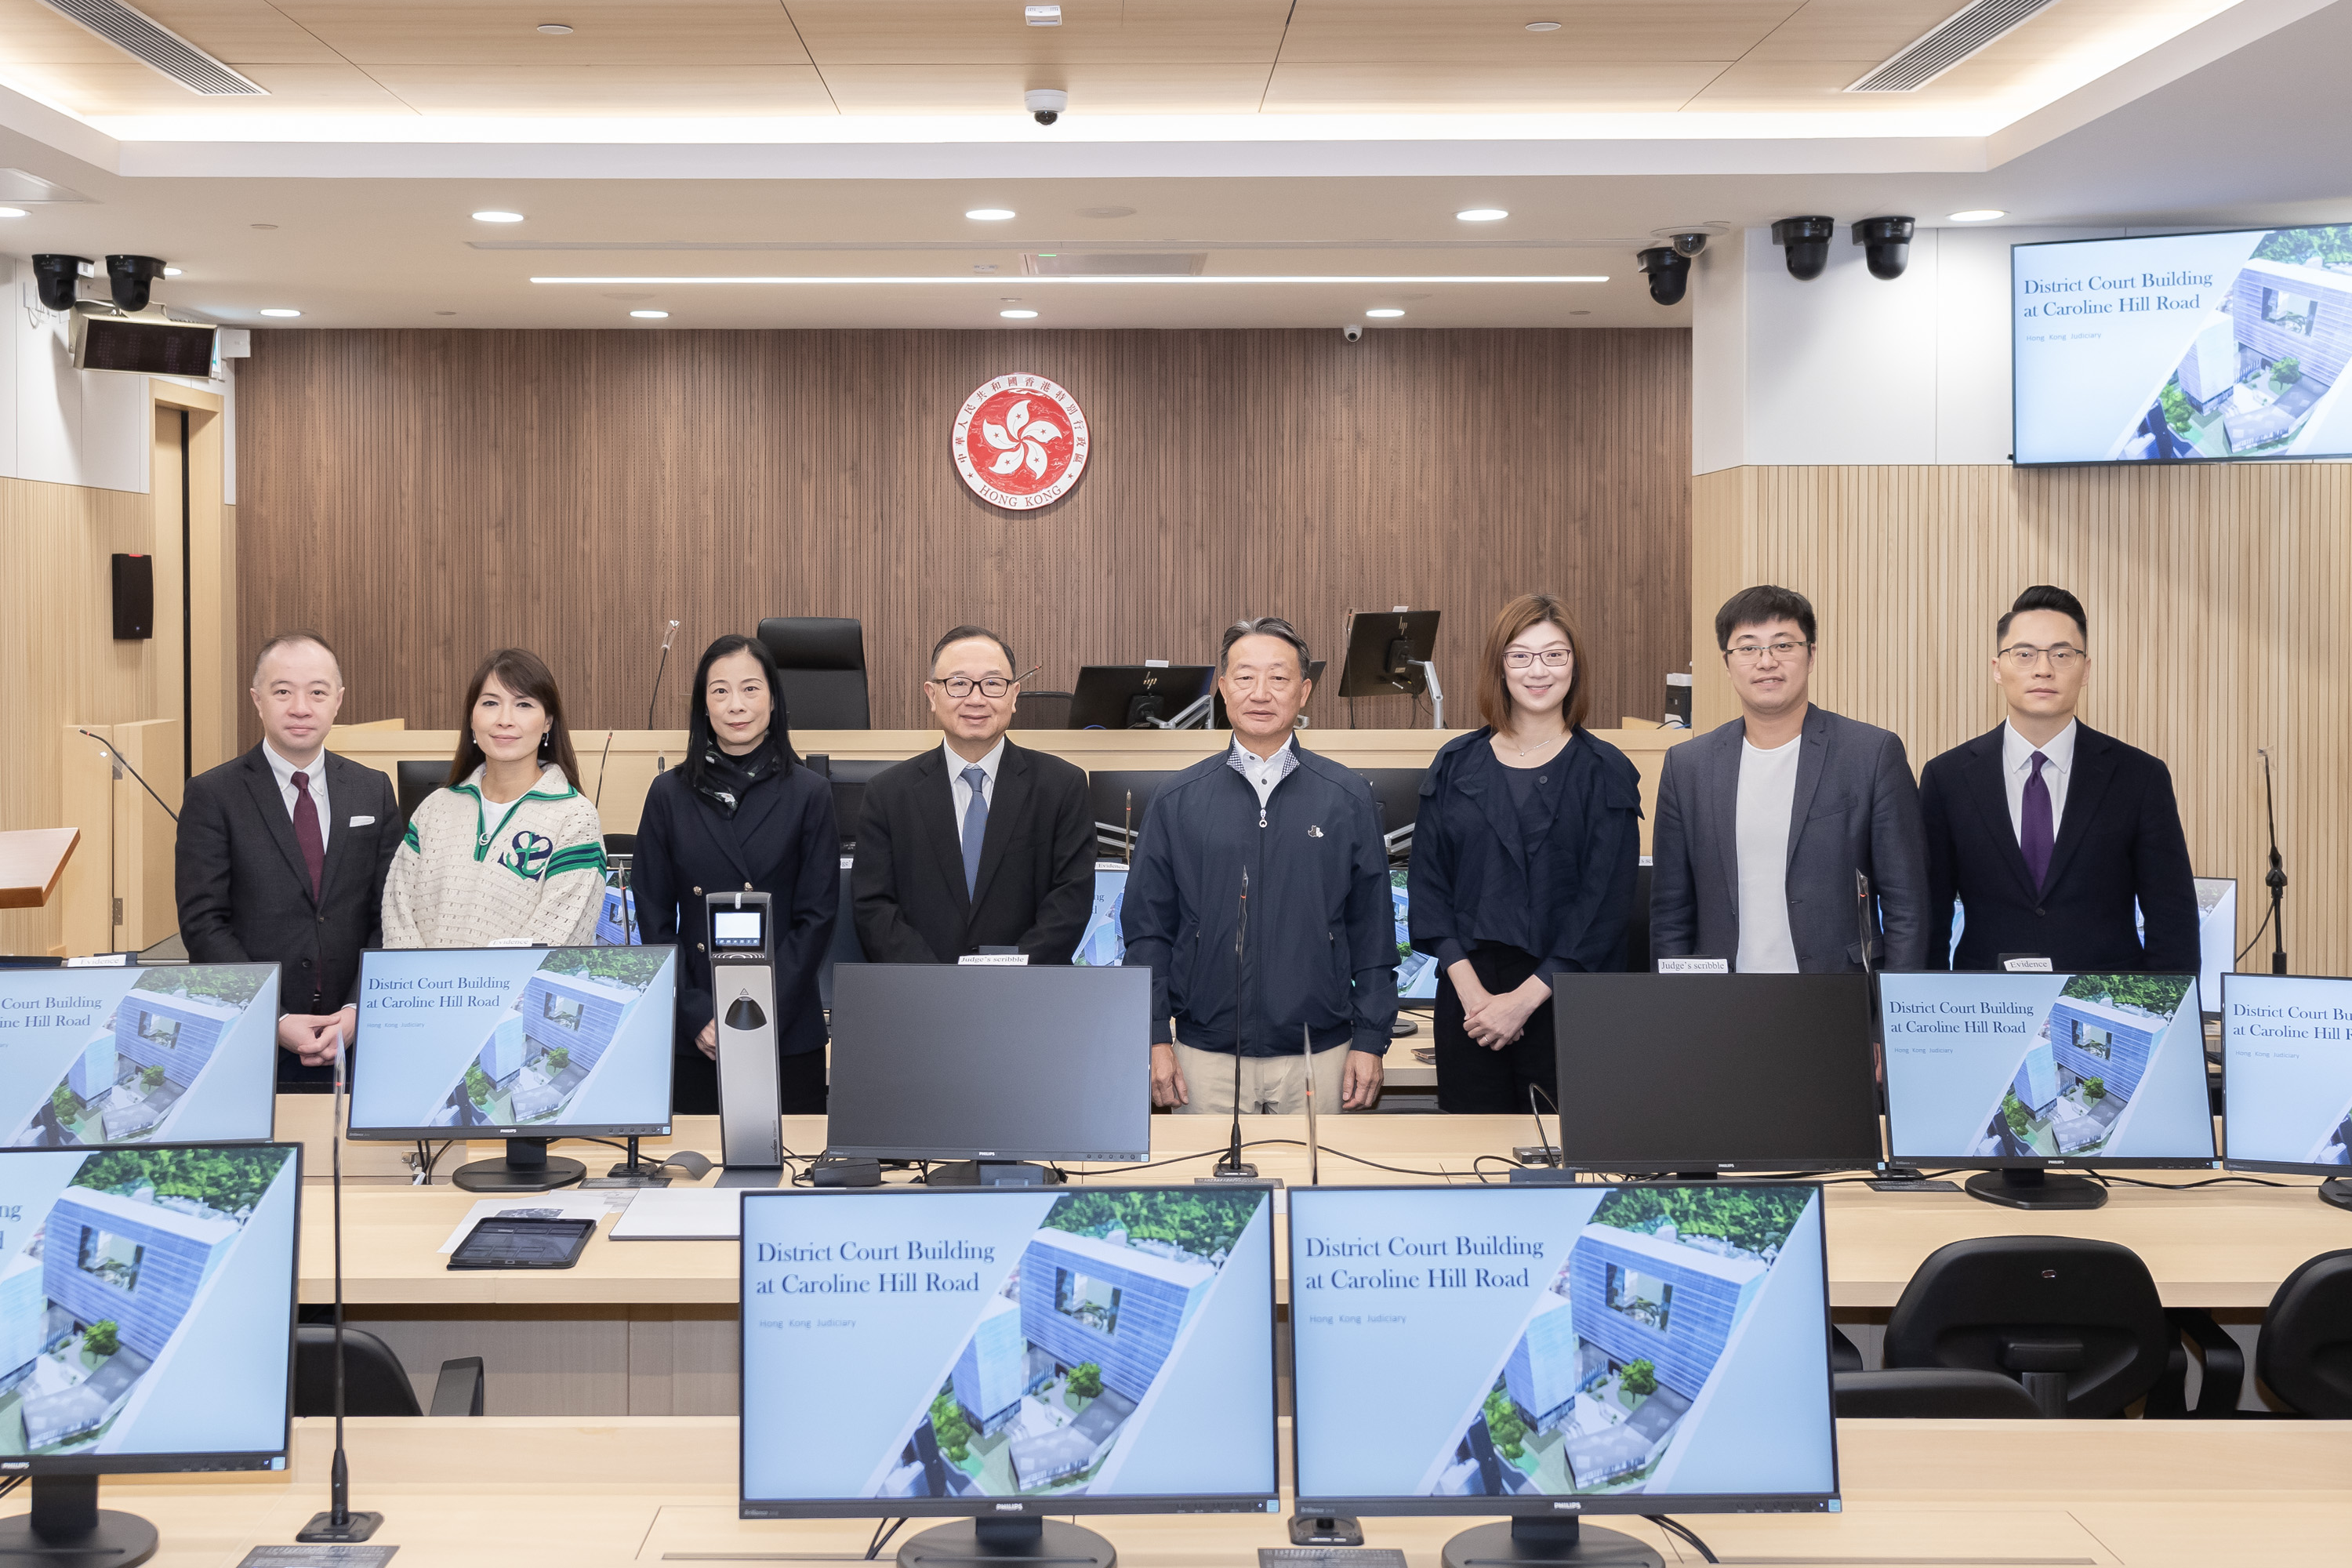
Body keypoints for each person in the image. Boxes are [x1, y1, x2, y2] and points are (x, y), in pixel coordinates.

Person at [1123, 616, 1395, 1114]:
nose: (1261, 693)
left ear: (1304, 692)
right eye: (1245, 677)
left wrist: (1371, 1038)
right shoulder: (1177, 799)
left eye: (1279, 677)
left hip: (1320, 1053)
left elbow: (1373, 932)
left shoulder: (1347, 797)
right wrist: (1155, 1035)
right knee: (1204, 1170)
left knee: (1316, 1168)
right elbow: (1147, 932)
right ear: (1223, 689)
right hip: (1204, 1055)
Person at [1409, 594, 1642, 1113]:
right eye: (1520, 655)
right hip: (1468, 1003)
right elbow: (1428, 888)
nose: (1538, 670)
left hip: (1568, 999)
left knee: (1565, 1157)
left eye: (1554, 655)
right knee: (1470, 1155)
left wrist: (1520, 1003)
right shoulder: (1455, 764)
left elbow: (1603, 907)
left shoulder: (1604, 771)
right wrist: (1476, 999)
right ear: (1500, 666)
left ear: (1574, 666)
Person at [1921, 585, 2198, 972]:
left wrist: (2165, 1005)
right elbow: (1930, 915)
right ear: (1998, 669)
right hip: (1987, 999)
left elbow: (2172, 919)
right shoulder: (1947, 778)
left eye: (2062, 655)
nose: (2043, 669)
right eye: (2025, 654)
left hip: (2103, 996)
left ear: (2085, 670)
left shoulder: (2140, 777)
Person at [1651, 586, 1927, 972]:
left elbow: (1907, 903)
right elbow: (1670, 912)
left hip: (1838, 990)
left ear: (1811, 655)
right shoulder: (1688, 766)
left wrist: (1894, 1005)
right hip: (1720, 995)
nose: (1766, 662)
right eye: (1748, 648)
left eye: (1783, 645)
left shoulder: (1871, 754)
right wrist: (1677, 1002)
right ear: (1727, 663)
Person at [176, 631, 401, 1088]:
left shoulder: (372, 789)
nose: (301, 708)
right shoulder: (212, 795)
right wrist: (271, 1017)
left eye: (317, 692)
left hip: (357, 1035)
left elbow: (391, 913)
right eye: (283, 692)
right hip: (253, 1038)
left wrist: (358, 1008)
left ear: (338, 701)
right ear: (257, 700)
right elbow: (204, 924)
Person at [635, 634, 839, 1115]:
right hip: (698, 1032)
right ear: (703, 705)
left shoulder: (810, 793)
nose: (736, 705)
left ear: (773, 699)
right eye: (720, 691)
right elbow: (653, 919)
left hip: (786, 1027)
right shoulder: (668, 794)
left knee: (795, 1159)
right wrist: (698, 1014)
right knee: (695, 1162)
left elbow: (816, 918)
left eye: (750, 689)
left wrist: (762, 1011)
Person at [854, 625, 1093, 964]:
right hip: (920, 990)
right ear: (932, 695)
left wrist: (1005, 976)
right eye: (958, 683)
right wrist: (935, 982)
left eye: (993, 683)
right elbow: (874, 907)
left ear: (1014, 696)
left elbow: (1070, 902)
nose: (976, 699)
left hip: (1027, 989)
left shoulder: (1062, 787)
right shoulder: (888, 794)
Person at [382, 648, 605, 948]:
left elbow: (562, 935)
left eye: (524, 704)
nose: (505, 720)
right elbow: (397, 913)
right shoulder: (434, 809)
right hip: (421, 980)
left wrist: (482, 980)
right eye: (490, 703)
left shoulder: (575, 818)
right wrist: (422, 976)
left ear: (548, 722)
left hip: (519, 982)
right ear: (472, 718)